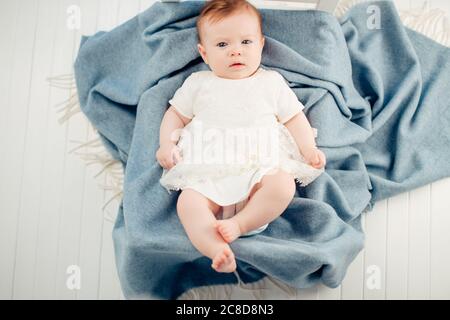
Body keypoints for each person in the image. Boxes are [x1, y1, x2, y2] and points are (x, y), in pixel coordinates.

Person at [156, 0, 326, 273]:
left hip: (257, 171)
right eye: (222, 45)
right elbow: (175, 115)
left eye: (246, 42)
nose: (236, 51)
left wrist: (308, 149)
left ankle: (240, 224)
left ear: (260, 45)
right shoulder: (199, 84)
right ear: (204, 53)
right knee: (188, 203)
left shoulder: (271, 82)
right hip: (208, 169)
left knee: (283, 185)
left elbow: (295, 118)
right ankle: (217, 250)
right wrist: (167, 144)